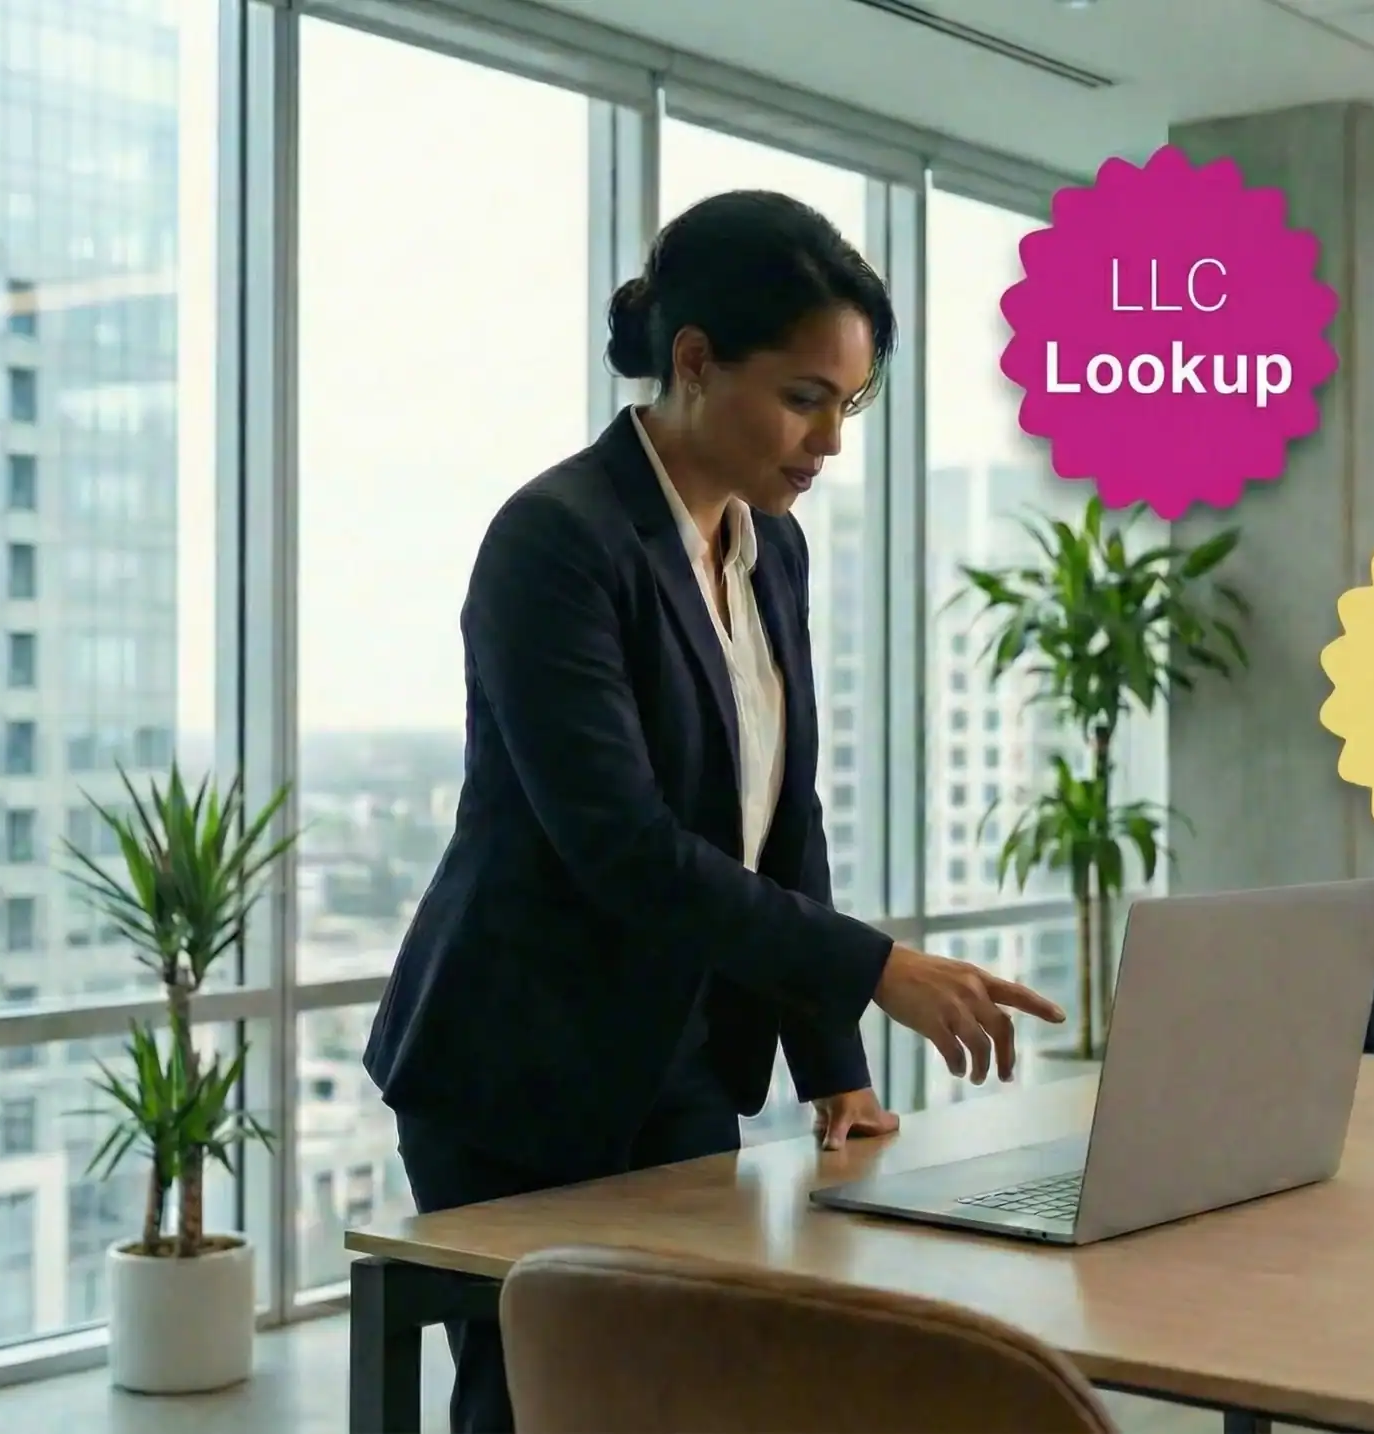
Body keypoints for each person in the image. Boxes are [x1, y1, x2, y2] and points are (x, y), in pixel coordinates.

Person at [361, 189, 1066, 1434]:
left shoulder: (769, 548)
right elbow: (622, 849)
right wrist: (879, 968)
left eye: (847, 407)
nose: (831, 443)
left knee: (682, 1393)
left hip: (680, 1059)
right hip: (519, 1065)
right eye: (804, 399)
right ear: (694, 361)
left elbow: (781, 816)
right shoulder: (556, 541)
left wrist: (833, 1065)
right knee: (540, 1401)